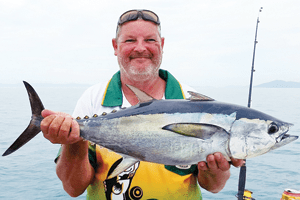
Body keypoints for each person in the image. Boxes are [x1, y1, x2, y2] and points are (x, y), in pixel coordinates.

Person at [40, 9, 244, 199]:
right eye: (130, 40)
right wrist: (73, 140)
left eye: (149, 40)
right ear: (115, 46)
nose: (140, 48)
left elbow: (214, 186)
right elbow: (73, 188)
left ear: (161, 45)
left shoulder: (192, 102)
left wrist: (215, 170)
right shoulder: (93, 99)